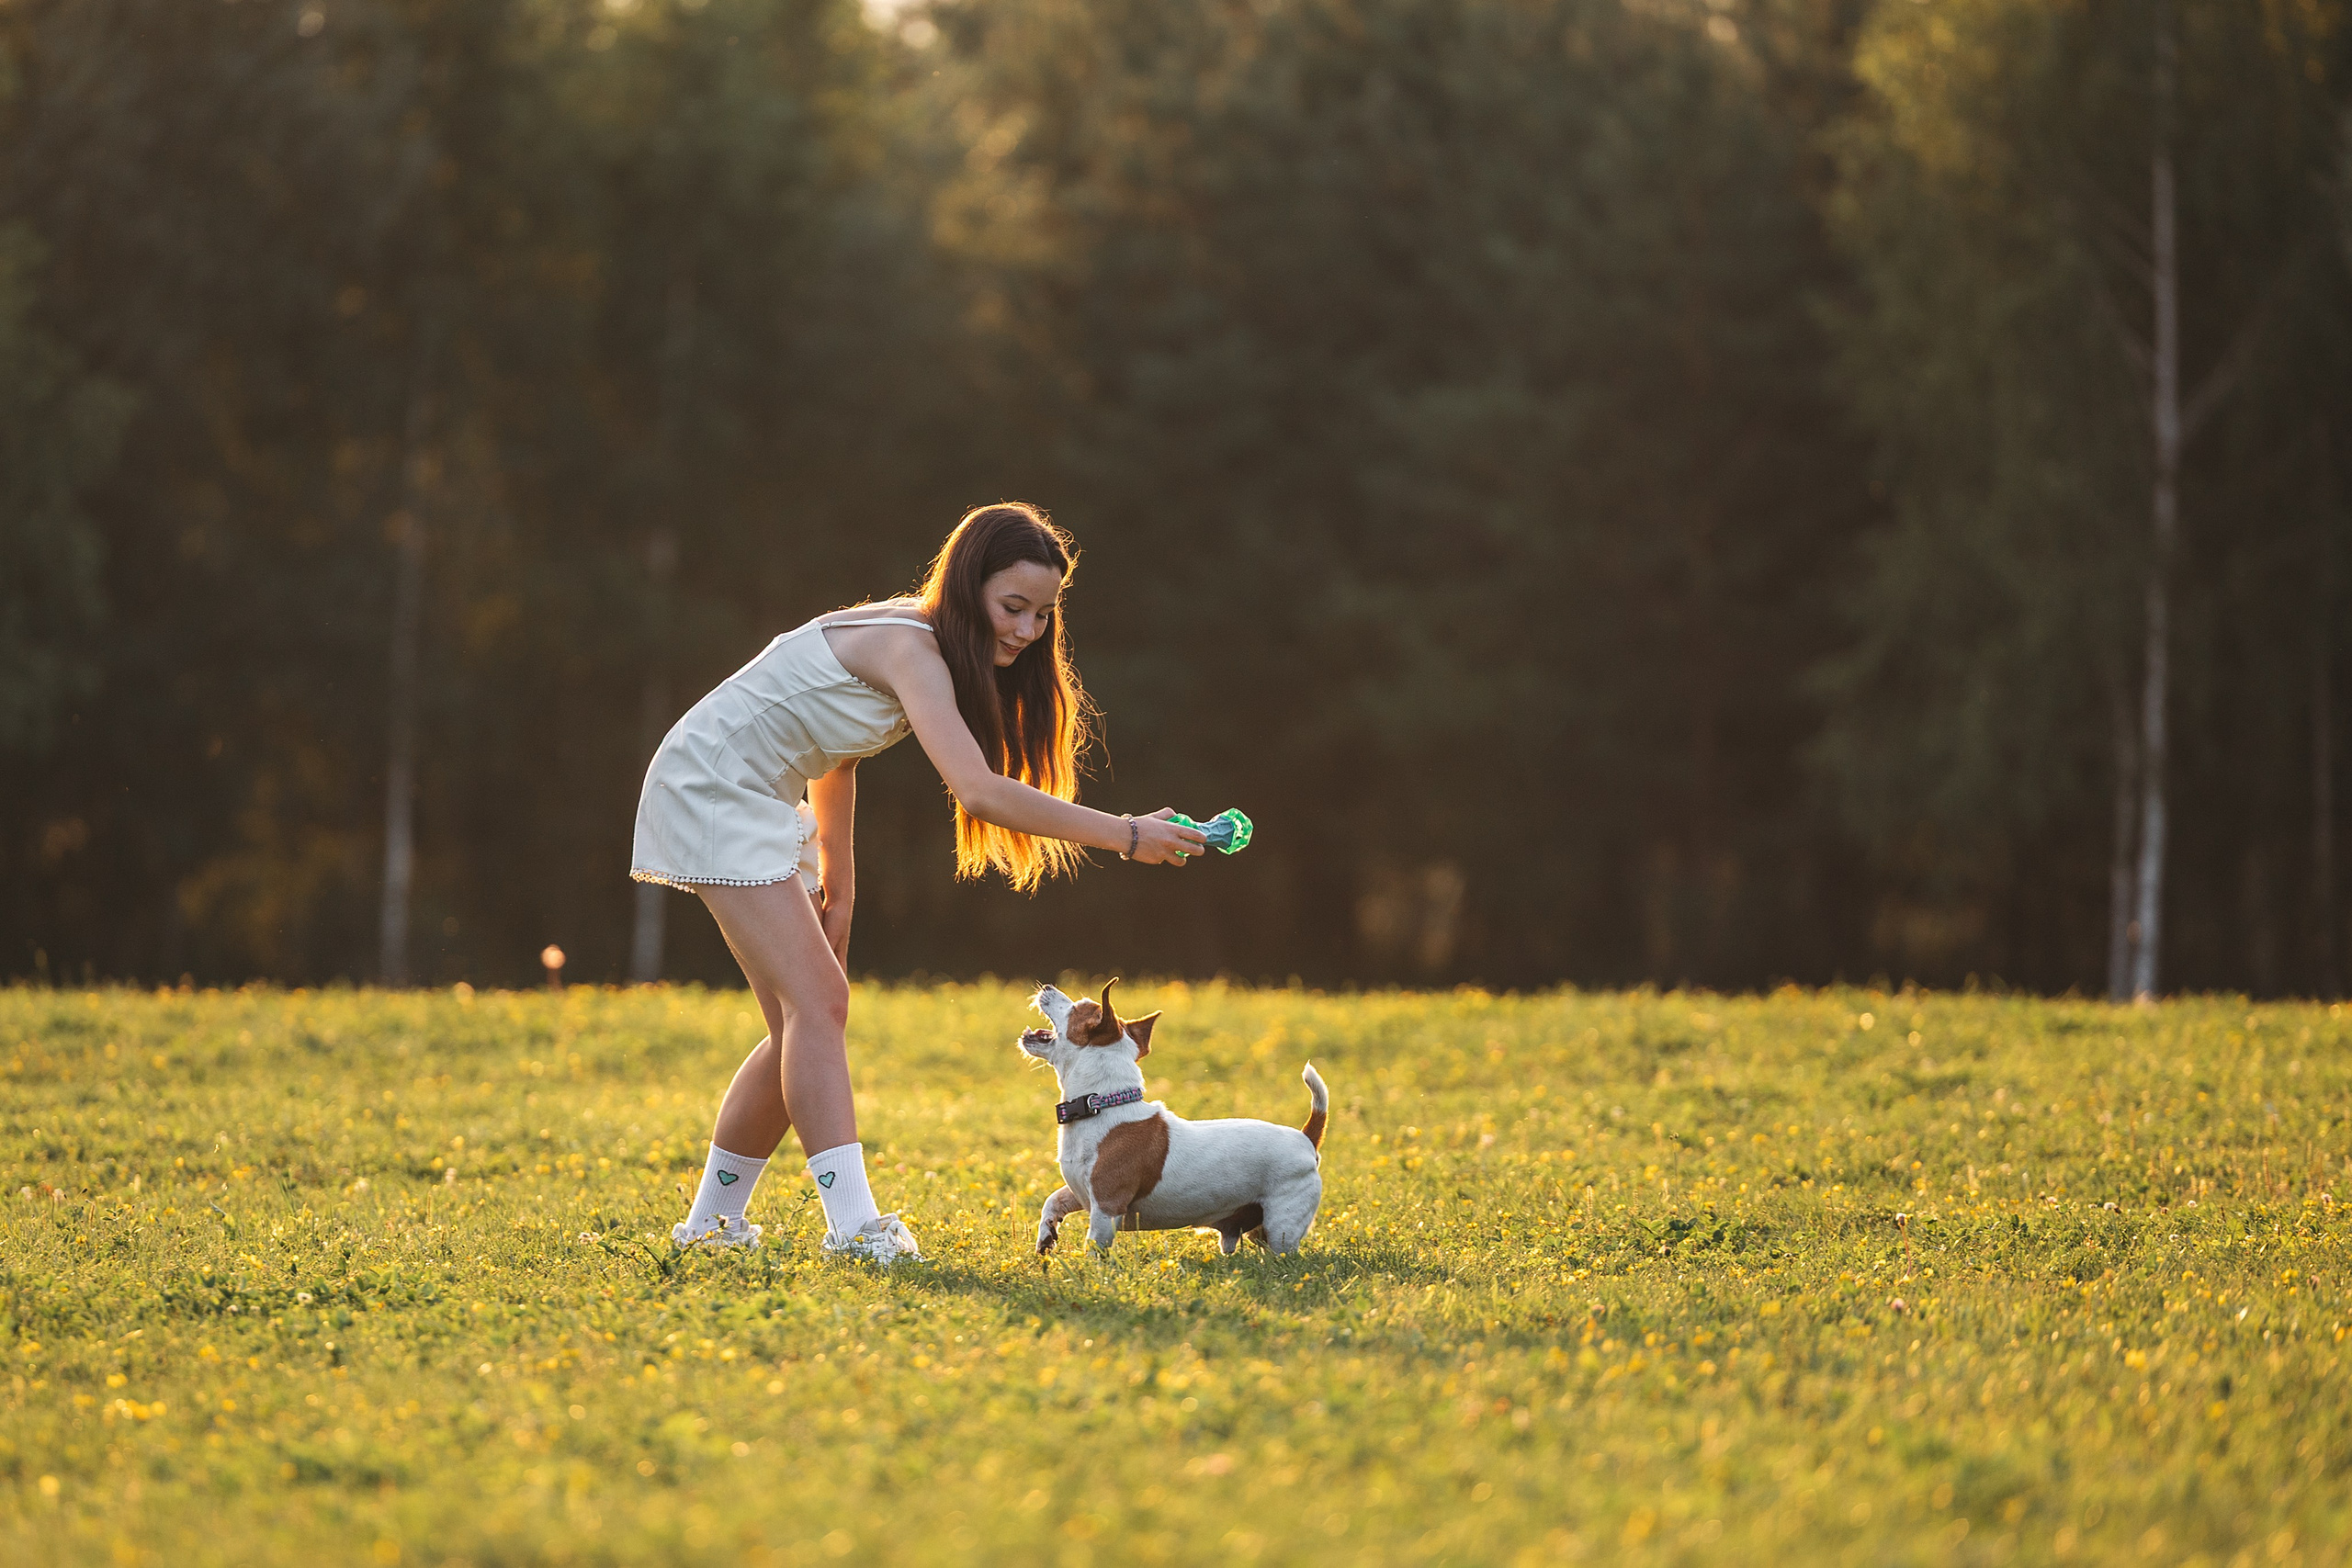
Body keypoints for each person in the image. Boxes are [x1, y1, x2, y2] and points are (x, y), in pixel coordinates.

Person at [629, 502, 1206, 1264]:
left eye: (1043, 614)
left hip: (766, 799)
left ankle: (709, 1225)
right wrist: (1127, 833)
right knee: (820, 1006)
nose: (1028, 631)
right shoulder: (914, 650)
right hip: (714, 787)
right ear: (969, 586)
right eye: (1013, 607)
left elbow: (836, 755)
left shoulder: (928, 646)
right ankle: (853, 1229)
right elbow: (980, 792)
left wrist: (842, 883)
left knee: (797, 1026)